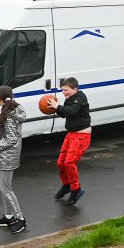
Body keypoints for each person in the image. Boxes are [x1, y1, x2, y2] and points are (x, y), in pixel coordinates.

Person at [0, 85, 27, 233]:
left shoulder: (9, 115)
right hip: (7, 155)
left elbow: (12, 138)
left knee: (6, 189)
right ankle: (9, 216)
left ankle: (20, 219)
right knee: (3, 186)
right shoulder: (11, 111)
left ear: (0, 98)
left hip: (7, 155)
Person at [47, 77, 89, 205]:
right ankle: (67, 185)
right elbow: (64, 114)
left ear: (75, 89)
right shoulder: (68, 99)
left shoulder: (81, 98)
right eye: (62, 90)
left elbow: (72, 111)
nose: (64, 92)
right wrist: (54, 108)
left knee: (69, 162)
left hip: (82, 136)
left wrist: (57, 106)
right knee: (61, 163)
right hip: (70, 135)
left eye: (66, 90)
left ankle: (76, 190)